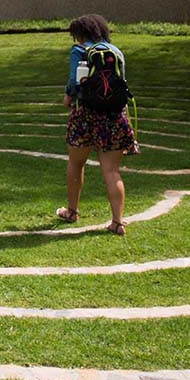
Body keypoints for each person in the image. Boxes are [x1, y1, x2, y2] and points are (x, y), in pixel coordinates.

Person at [56, 14, 139, 235]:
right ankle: (117, 222)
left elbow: (75, 82)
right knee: (111, 170)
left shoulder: (80, 51)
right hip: (114, 116)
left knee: (76, 163)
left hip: (85, 115)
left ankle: (72, 211)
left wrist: (68, 97)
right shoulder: (116, 51)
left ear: (80, 34)